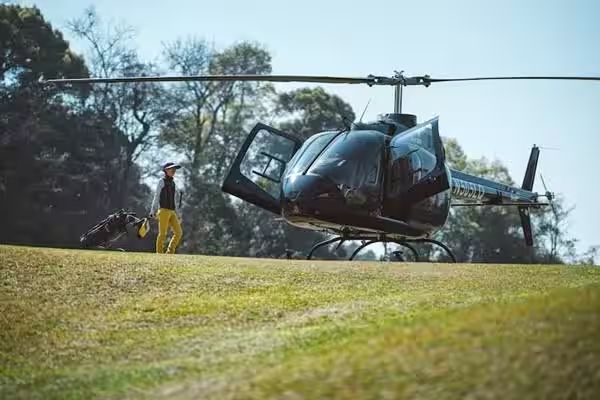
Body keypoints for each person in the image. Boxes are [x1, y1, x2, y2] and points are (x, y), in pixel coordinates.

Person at [150, 162, 183, 254]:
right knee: (163, 234)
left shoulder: (173, 183)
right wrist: (153, 210)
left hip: (172, 212)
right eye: (171, 169)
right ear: (165, 170)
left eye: (174, 169)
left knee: (179, 232)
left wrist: (178, 214)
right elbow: (156, 196)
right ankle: (159, 254)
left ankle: (170, 252)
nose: (173, 171)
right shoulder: (161, 181)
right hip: (163, 211)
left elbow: (174, 201)